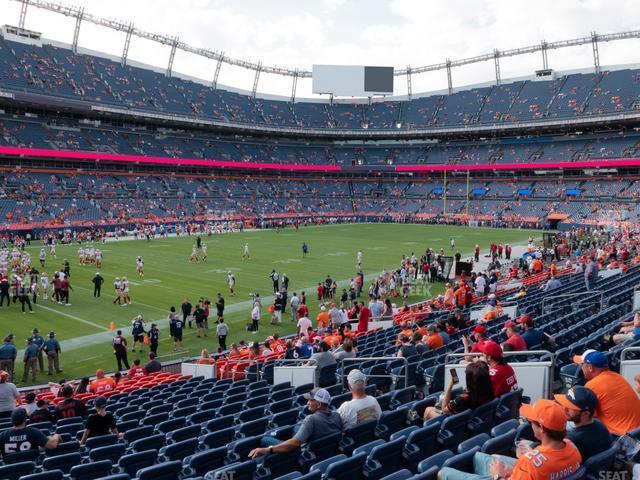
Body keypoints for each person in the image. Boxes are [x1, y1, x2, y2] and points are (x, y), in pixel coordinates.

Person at [438, 399, 581, 480]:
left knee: (442, 473)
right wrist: (511, 471)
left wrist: (498, 475)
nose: (529, 424)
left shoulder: (530, 462)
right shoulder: (573, 449)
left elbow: (535, 468)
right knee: (480, 457)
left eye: (531, 421)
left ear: (542, 429)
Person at [248, 388, 342, 458]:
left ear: (319, 404)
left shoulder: (311, 419)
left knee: (265, 439)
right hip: (326, 450)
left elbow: (294, 444)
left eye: (311, 400)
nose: (307, 403)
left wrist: (268, 449)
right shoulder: (336, 416)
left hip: (304, 452)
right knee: (296, 428)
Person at [573, 349, 640, 435]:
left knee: (570, 424)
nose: (580, 367)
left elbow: (584, 418)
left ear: (590, 368)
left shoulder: (592, 385)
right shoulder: (617, 376)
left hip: (623, 438)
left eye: (582, 364)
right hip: (637, 432)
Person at [554, 386, 612, 459]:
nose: (564, 409)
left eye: (570, 407)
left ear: (586, 414)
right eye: (565, 404)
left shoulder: (572, 440)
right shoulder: (600, 425)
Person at [424, 362, 495, 420]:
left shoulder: (463, 398)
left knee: (428, 410)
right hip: (475, 417)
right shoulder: (490, 389)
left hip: (456, 421)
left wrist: (450, 386)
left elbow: (444, 410)